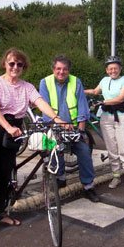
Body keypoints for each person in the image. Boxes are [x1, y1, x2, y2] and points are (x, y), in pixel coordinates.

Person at [0, 48, 67, 240]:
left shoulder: (26, 87)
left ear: (23, 67)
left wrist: (57, 119)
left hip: (13, 134)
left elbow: (40, 102)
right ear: (5, 65)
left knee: (5, 175)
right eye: (11, 63)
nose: (15, 67)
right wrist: (8, 127)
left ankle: (1, 214)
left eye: (19, 64)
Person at [39, 54, 99, 203]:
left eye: (65, 69)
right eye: (58, 68)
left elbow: (83, 108)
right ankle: (60, 178)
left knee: (84, 152)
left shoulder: (76, 82)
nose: (61, 72)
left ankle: (89, 187)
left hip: (73, 127)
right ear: (53, 69)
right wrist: (57, 126)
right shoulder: (45, 82)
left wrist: (81, 130)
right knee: (55, 151)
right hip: (54, 126)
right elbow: (45, 108)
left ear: (69, 70)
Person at [85, 56, 124, 191]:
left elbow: (121, 98)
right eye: (110, 68)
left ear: (120, 68)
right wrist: (80, 91)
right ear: (107, 70)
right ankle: (116, 176)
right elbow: (96, 91)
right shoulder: (104, 80)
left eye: (115, 68)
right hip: (106, 118)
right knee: (112, 149)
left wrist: (104, 102)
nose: (113, 71)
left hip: (121, 117)